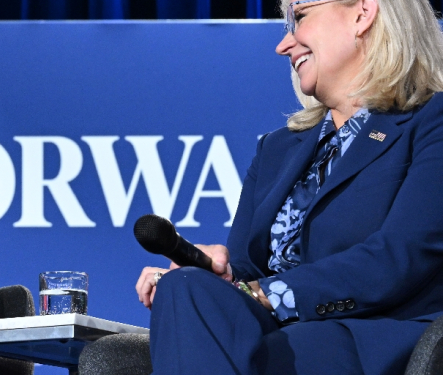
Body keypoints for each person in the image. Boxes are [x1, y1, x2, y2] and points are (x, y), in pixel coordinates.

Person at [134, 0, 443, 374]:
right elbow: (247, 268)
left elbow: (398, 256)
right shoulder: (278, 149)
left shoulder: (430, 122)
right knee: (185, 287)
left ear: (363, 12)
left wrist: (267, 293)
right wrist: (214, 275)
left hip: (371, 338)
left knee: (263, 351)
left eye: (300, 17)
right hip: (273, 336)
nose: (284, 45)